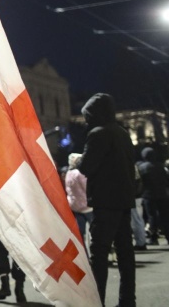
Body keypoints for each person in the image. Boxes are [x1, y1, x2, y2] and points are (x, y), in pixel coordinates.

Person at [77, 93, 136, 307]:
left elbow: (87, 167)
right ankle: (128, 301)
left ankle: (97, 301)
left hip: (105, 202)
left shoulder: (98, 134)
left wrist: (78, 160)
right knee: (125, 253)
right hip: (124, 201)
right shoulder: (122, 133)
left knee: (99, 254)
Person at [137, 146, 169, 246]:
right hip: (162, 194)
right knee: (165, 216)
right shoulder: (161, 166)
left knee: (152, 216)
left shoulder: (142, 167)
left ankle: (153, 237)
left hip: (148, 195)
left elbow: (140, 182)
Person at [65, 152, 93, 250]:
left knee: (81, 233)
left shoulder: (68, 173)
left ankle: (85, 255)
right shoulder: (80, 174)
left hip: (75, 206)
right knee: (94, 232)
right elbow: (87, 188)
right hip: (88, 207)